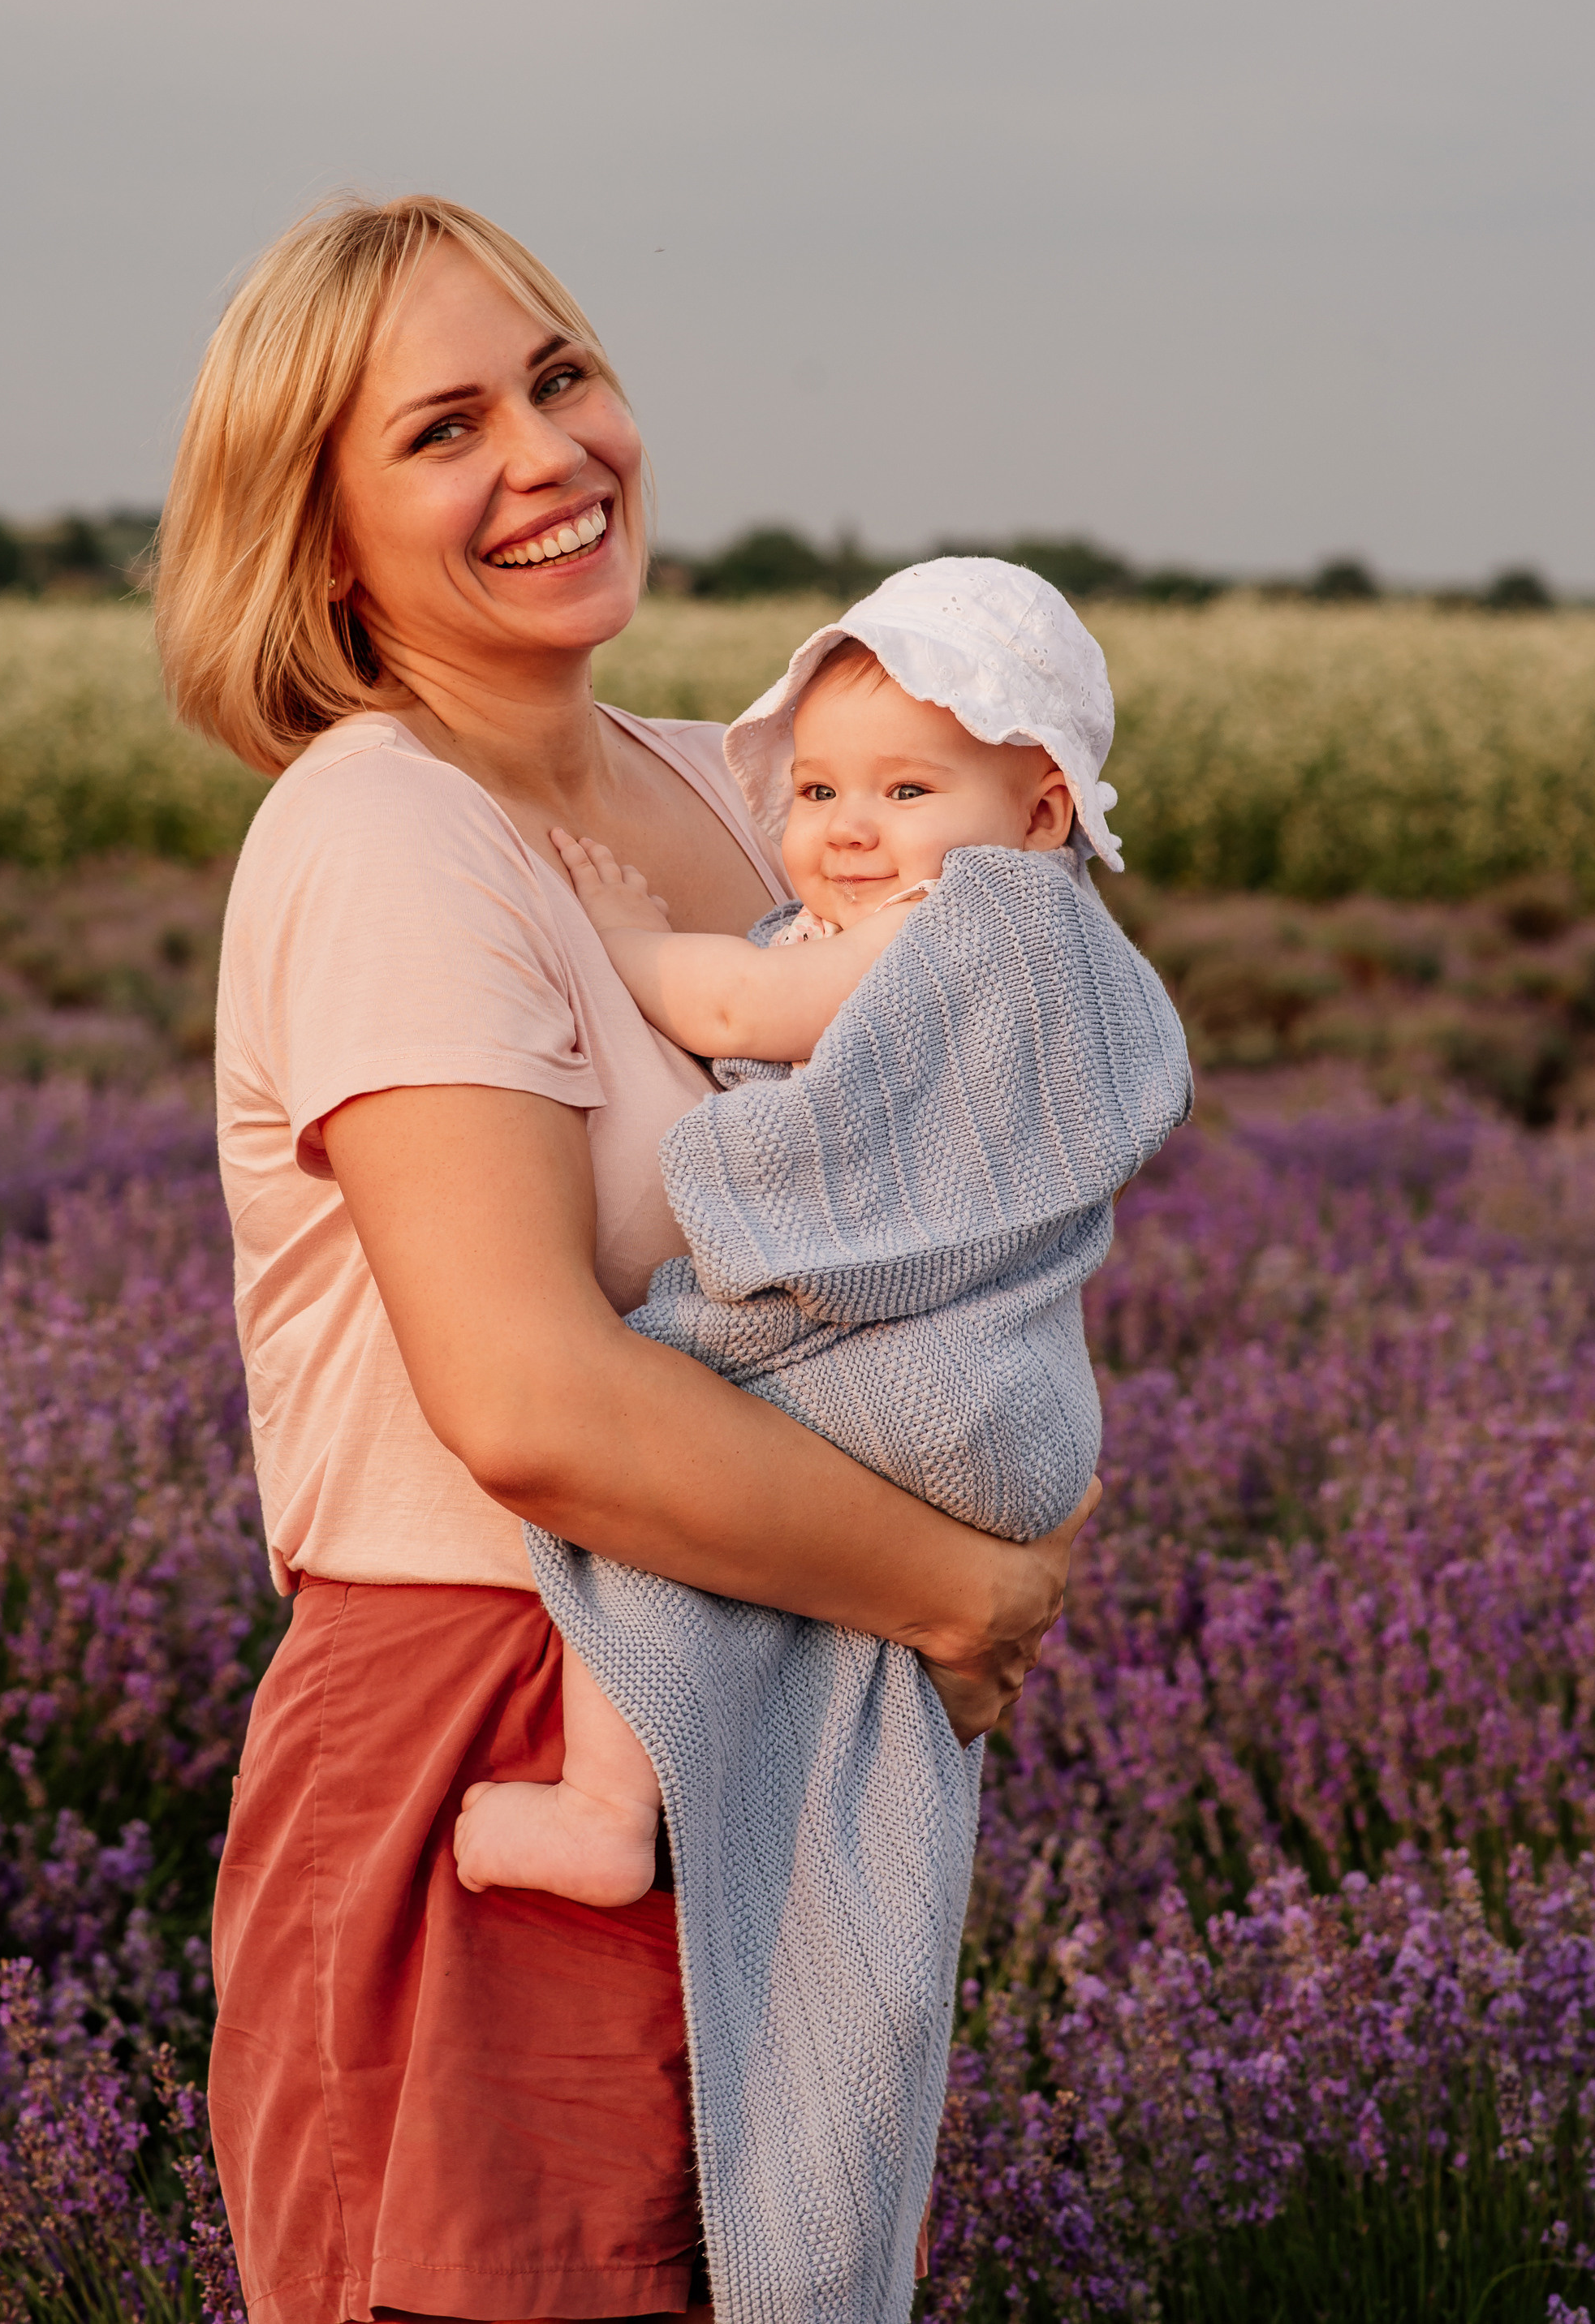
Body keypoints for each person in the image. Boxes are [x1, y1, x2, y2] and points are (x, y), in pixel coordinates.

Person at [154, 199, 1101, 2324]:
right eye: (443, 430)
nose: (547, 452)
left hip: (777, 1705)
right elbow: (529, 1402)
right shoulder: (387, 836)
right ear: (318, 540)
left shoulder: (750, 795)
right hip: (496, 1732)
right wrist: (957, 1585)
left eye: (561, 374)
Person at [445, 563, 1192, 2324]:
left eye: (906, 788)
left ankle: (609, 1801)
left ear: (1041, 807)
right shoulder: (1060, 958)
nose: (849, 829)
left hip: (935, 1392)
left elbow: (733, 1015)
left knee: (645, 1418)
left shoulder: (966, 930)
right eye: (819, 788)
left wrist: (610, 935)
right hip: (1011, 1417)